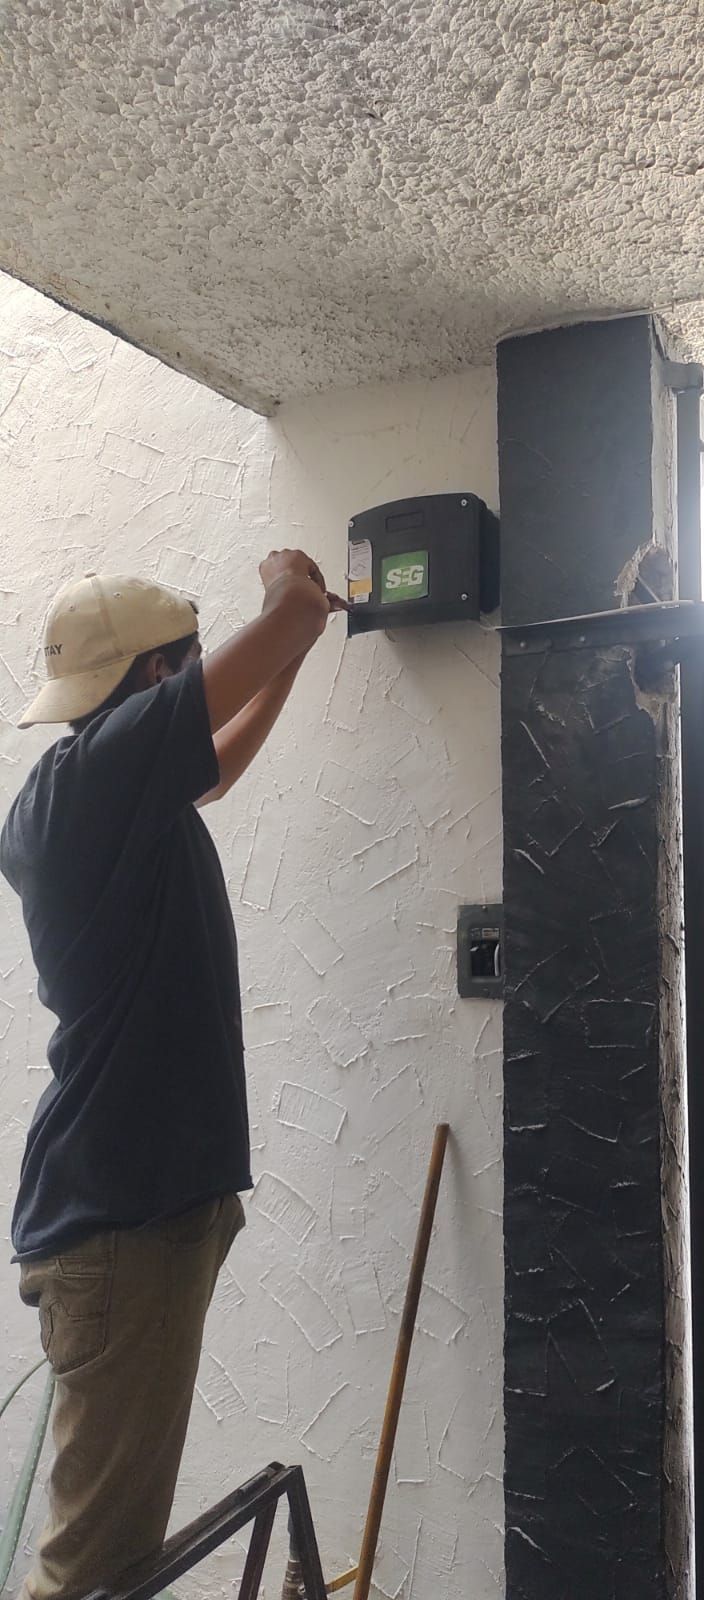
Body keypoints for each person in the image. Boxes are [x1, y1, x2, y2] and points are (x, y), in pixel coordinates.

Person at [1, 551, 346, 1600]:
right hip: (121, 1225)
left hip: (139, 1211)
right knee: (93, 1570)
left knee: (115, 1552)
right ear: (154, 676)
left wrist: (292, 654)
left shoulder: (108, 794)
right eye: (187, 667)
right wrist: (291, 592)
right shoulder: (93, 775)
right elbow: (283, 613)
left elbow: (216, 764)